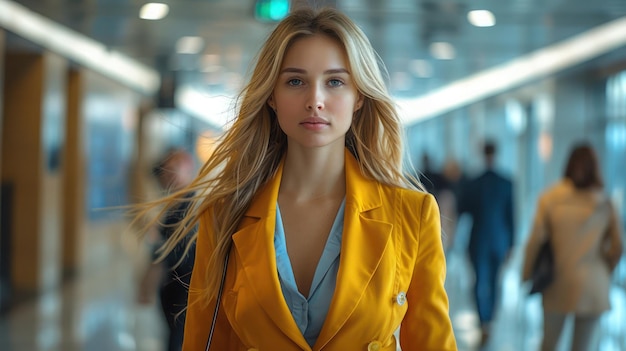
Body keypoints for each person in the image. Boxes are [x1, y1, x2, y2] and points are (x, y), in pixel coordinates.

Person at [135, 6, 457, 351]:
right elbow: (205, 342)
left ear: (359, 96)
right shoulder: (225, 214)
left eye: (335, 81)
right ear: (272, 96)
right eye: (295, 81)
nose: (315, 101)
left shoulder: (412, 214)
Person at [521, 142, 623, 351]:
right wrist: (605, 267)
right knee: (583, 347)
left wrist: (526, 272)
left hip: (558, 282)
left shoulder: (550, 199)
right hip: (594, 286)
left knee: (549, 344)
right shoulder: (604, 202)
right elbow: (618, 246)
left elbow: (535, 241)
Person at [137, 148, 197, 351]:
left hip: (183, 285)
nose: (167, 175)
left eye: (174, 169)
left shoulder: (188, 205)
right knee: (174, 336)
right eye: (165, 171)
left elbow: (173, 250)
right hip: (174, 284)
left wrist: (150, 274)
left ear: (188, 169)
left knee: (177, 339)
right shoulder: (176, 204)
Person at [457, 140, 514, 346]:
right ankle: (489, 320)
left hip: (479, 239)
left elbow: (462, 210)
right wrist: (512, 244)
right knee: (494, 281)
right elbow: (511, 217)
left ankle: (484, 321)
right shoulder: (506, 182)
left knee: (480, 281)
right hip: (499, 240)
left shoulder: (474, 182)